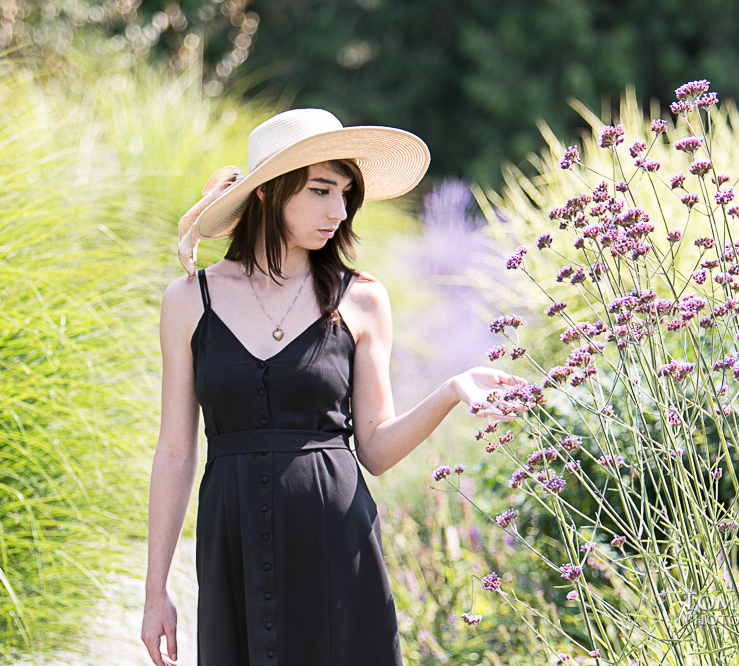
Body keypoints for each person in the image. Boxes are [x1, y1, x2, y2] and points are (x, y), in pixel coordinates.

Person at [141, 108, 519, 666]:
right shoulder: (189, 300)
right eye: (320, 190)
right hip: (233, 542)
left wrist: (449, 391)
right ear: (267, 193)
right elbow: (176, 450)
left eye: (345, 194)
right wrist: (156, 593)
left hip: (336, 543)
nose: (338, 212)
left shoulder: (362, 298)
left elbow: (376, 448)